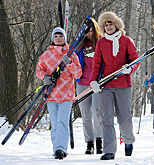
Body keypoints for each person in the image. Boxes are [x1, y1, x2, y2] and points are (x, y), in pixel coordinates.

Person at [89, 11, 140, 160]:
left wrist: (129, 68)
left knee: (124, 117)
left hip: (123, 84)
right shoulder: (101, 42)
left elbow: (135, 60)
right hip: (106, 85)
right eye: (105, 24)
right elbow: (96, 64)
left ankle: (128, 141)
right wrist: (94, 81)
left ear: (116, 24)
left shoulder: (126, 40)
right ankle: (109, 150)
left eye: (110, 23)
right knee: (106, 118)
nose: (108, 26)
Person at [36, 27, 82, 159]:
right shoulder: (46, 55)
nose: (58, 38)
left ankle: (61, 148)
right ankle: (56, 147)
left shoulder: (71, 55)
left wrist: (70, 64)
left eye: (60, 36)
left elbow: (78, 73)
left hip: (66, 94)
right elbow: (39, 70)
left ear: (64, 38)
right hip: (51, 95)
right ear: (52, 38)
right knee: (55, 122)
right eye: (55, 36)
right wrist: (45, 77)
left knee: (62, 121)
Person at [75, 18, 103, 154]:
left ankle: (99, 140)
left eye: (92, 31)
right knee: (86, 115)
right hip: (82, 82)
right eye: (87, 32)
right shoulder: (80, 45)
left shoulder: (101, 43)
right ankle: (89, 143)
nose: (89, 34)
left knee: (97, 112)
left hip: (97, 83)